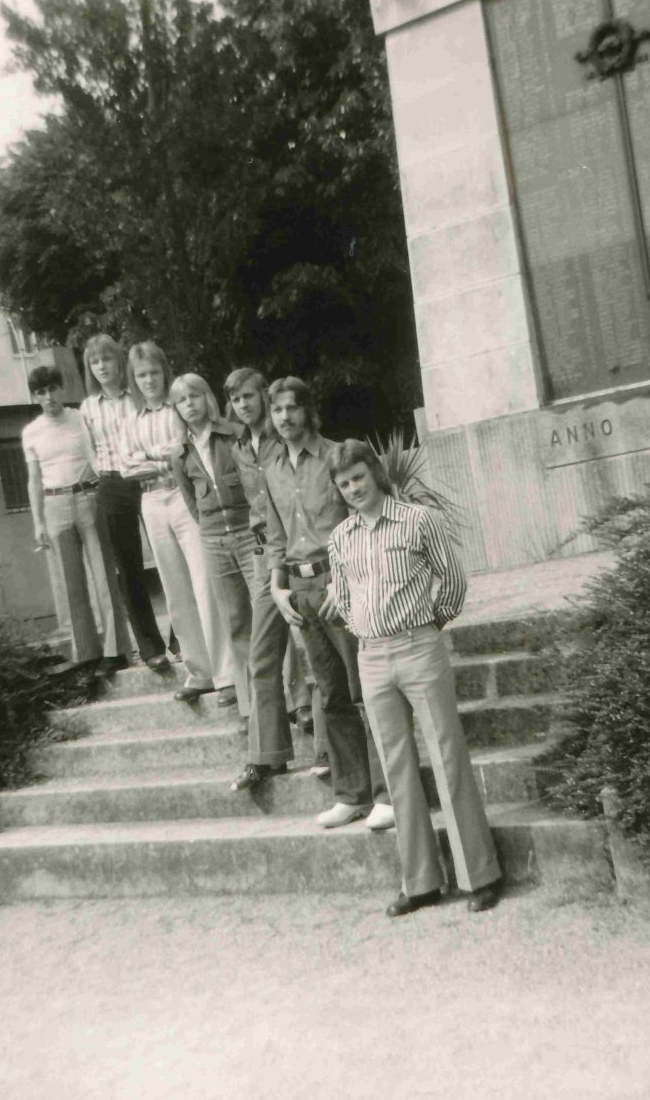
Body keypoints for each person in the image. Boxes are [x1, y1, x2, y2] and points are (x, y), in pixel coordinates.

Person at [326, 439, 502, 916]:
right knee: (396, 768)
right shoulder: (341, 538)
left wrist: (427, 626)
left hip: (419, 646)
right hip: (373, 658)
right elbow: (342, 598)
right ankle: (421, 881)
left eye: (359, 477)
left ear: (375, 473)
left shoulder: (418, 520)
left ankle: (479, 875)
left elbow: (453, 582)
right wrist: (368, 631)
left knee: (447, 755)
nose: (353, 489)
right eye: (344, 484)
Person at [263, 377, 392, 829]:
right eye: (276, 409)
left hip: (343, 586)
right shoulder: (272, 466)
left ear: (308, 410)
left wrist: (346, 578)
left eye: (291, 408)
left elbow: (363, 516)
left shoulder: (336, 457)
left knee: (366, 690)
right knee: (332, 695)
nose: (284, 417)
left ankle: (387, 792)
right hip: (300, 593)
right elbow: (275, 535)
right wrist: (278, 589)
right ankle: (352, 793)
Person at [121, 342, 235, 706]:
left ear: (163, 372)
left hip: (183, 495)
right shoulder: (132, 418)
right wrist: (159, 459)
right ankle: (199, 671)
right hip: (152, 500)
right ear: (134, 380)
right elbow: (125, 465)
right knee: (175, 589)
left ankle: (226, 672)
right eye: (141, 375)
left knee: (203, 581)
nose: (149, 380)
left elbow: (179, 452)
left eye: (154, 372)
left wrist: (152, 458)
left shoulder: (177, 408)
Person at [224, 367, 317, 791]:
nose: (244, 405)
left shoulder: (288, 435)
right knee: (262, 656)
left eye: (249, 396)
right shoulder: (241, 445)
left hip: (306, 551)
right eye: (236, 399)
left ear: (263, 395)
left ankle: (330, 749)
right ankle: (267, 756)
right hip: (267, 554)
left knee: (318, 654)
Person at [23, 364, 130, 671]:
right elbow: (33, 480)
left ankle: (116, 650)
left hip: (89, 497)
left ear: (61, 388)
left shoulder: (81, 418)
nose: (48, 397)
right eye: (41, 392)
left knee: (104, 575)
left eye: (52, 389)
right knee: (72, 583)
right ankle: (86, 654)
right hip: (56, 505)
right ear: (35, 397)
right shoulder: (31, 432)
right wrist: (38, 522)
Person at [78, 334, 170, 671]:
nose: (102, 367)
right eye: (94, 362)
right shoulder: (88, 408)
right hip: (112, 484)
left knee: (168, 556)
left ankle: (183, 640)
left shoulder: (138, 397)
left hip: (148, 479)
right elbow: (90, 450)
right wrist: (106, 476)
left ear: (120, 362)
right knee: (128, 568)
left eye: (107, 359)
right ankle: (151, 648)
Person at [169, 373, 254, 729]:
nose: (190, 404)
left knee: (267, 616)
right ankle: (252, 707)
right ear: (176, 409)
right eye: (182, 400)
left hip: (249, 533)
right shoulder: (179, 453)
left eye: (195, 396)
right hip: (215, 540)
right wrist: (212, 530)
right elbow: (191, 503)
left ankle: (294, 700)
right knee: (235, 621)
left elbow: (254, 483)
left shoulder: (234, 434)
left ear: (208, 398)